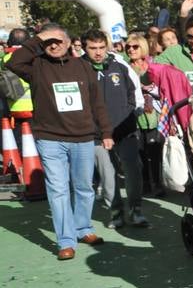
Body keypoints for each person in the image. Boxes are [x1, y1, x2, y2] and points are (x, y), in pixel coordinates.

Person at [7, 23, 113, 259]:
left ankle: (83, 228)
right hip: (50, 138)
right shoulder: (36, 66)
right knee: (58, 190)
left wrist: (106, 132)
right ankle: (66, 241)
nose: (54, 45)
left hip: (83, 137)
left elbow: (97, 103)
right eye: (48, 42)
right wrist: (39, 38)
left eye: (59, 41)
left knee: (84, 188)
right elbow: (12, 63)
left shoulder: (83, 67)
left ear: (68, 43)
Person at [83, 30, 146, 229]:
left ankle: (135, 210)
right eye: (93, 48)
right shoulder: (80, 68)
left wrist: (130, 115)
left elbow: (133, 93)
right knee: (108, 176)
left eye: (102, 47)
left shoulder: (119, 65)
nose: (98, 52)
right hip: (97, 134)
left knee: (132, 171)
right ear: (85, 48)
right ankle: (116, 213)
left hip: (124, 130)